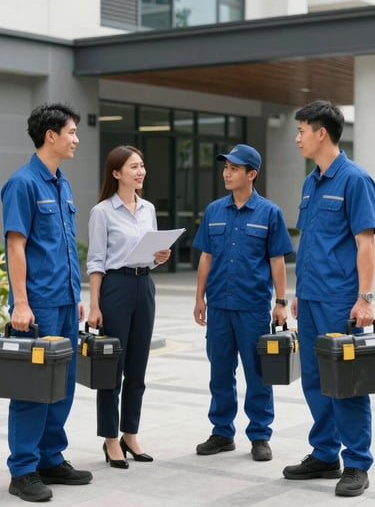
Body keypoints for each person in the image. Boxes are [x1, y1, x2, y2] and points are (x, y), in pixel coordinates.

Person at [1, 103, 93, 503]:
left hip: (64, 301)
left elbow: (65, 247)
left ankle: (50, 458)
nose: (76, 139)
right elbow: (15, 246)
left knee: (63, 384)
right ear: (50, 135)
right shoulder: (22, 184)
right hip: (36, 304)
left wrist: (76, 296)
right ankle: (22, 470)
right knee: (34, 388)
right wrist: (20, 302)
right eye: (71, 132)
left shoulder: (62, 184)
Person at [283, 100, 375, 497]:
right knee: (317, 380)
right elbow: (310, 242)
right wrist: (300, 292)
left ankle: (356, 462)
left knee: (347, 382)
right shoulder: (310, 181)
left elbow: (366, 243)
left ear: (322, 133)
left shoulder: (355, 180)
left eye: (302, 130)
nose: (297, 137)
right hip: (313, 297)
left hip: (341, 300)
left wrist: (366, 298)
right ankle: (324, 454)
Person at [193, 144, 293, 461]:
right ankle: (222, 432)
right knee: (220, 373)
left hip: (252, 307)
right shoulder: (213, 211)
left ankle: (260, 435)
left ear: (251, 174)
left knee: (258, 374)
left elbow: (277, 260)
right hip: (219, 306)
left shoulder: (270, 213)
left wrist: (280, 301)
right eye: (226, 167)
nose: (227, 173)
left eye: (234, 168)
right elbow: (205, 257)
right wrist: (199, 297)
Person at [87, 145, 171, 469]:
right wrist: (94, 305)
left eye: (142, 165)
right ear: (116, 173)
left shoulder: (148, 208)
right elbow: (96, 261)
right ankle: (110, 439)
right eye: (134, 167)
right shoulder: (103, 212)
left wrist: (160, 257)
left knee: (138, 367)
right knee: (113, 367)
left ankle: (130, 433)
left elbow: (150, 251)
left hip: (144, 285)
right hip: (116, 288)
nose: (140, 172)